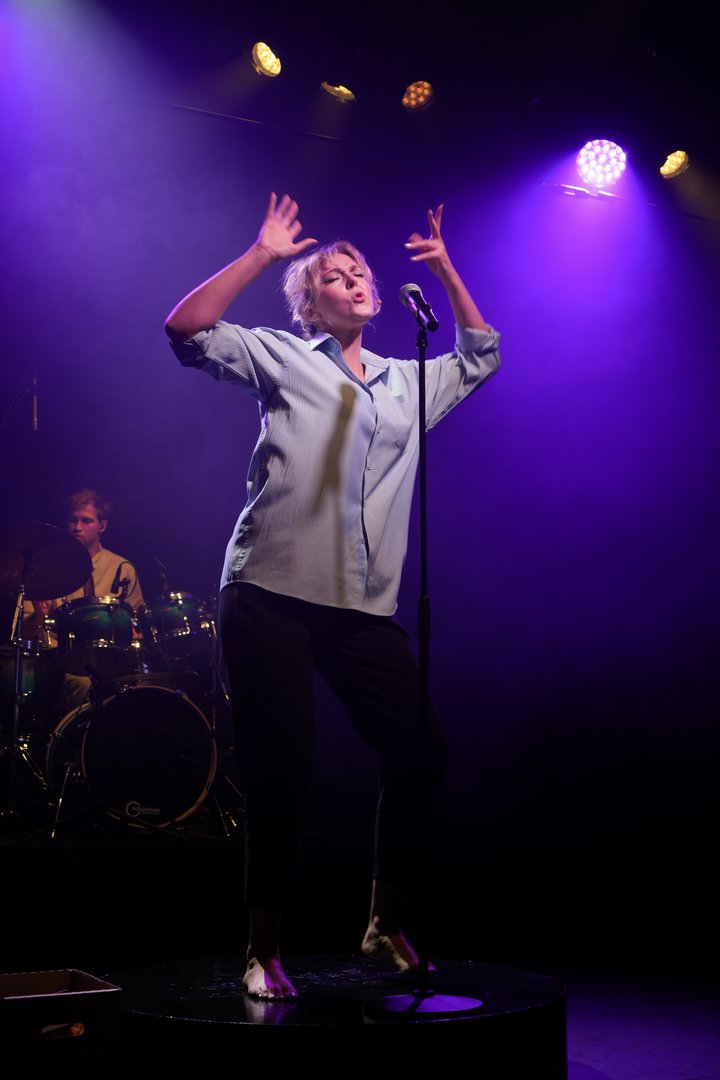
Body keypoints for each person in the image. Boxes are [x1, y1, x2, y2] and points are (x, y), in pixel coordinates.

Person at [164, 192, 502, 1001]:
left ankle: (383, 922)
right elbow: (186, 328)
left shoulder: (407, 381)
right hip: (271, 590)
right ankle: (263, 949)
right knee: (283, 768)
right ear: (310, 305)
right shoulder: (284, 357)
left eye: (359, 274)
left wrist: (447, 270)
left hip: (362, 606)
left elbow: (481, 353)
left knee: (420, 751)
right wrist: (263, 254)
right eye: (332, 275)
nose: (351, 280)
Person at [23, 489, 144, 711]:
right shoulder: (47, 569)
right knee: (82, 683)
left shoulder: (122, 568)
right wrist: (40, 615)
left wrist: (135, 631)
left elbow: (138, 621)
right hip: (62, 659)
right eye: (72, 520)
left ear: (102, 526)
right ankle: (77, 732)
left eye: (86, 521)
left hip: (111, 656)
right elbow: (25, 632)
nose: (77, 527)